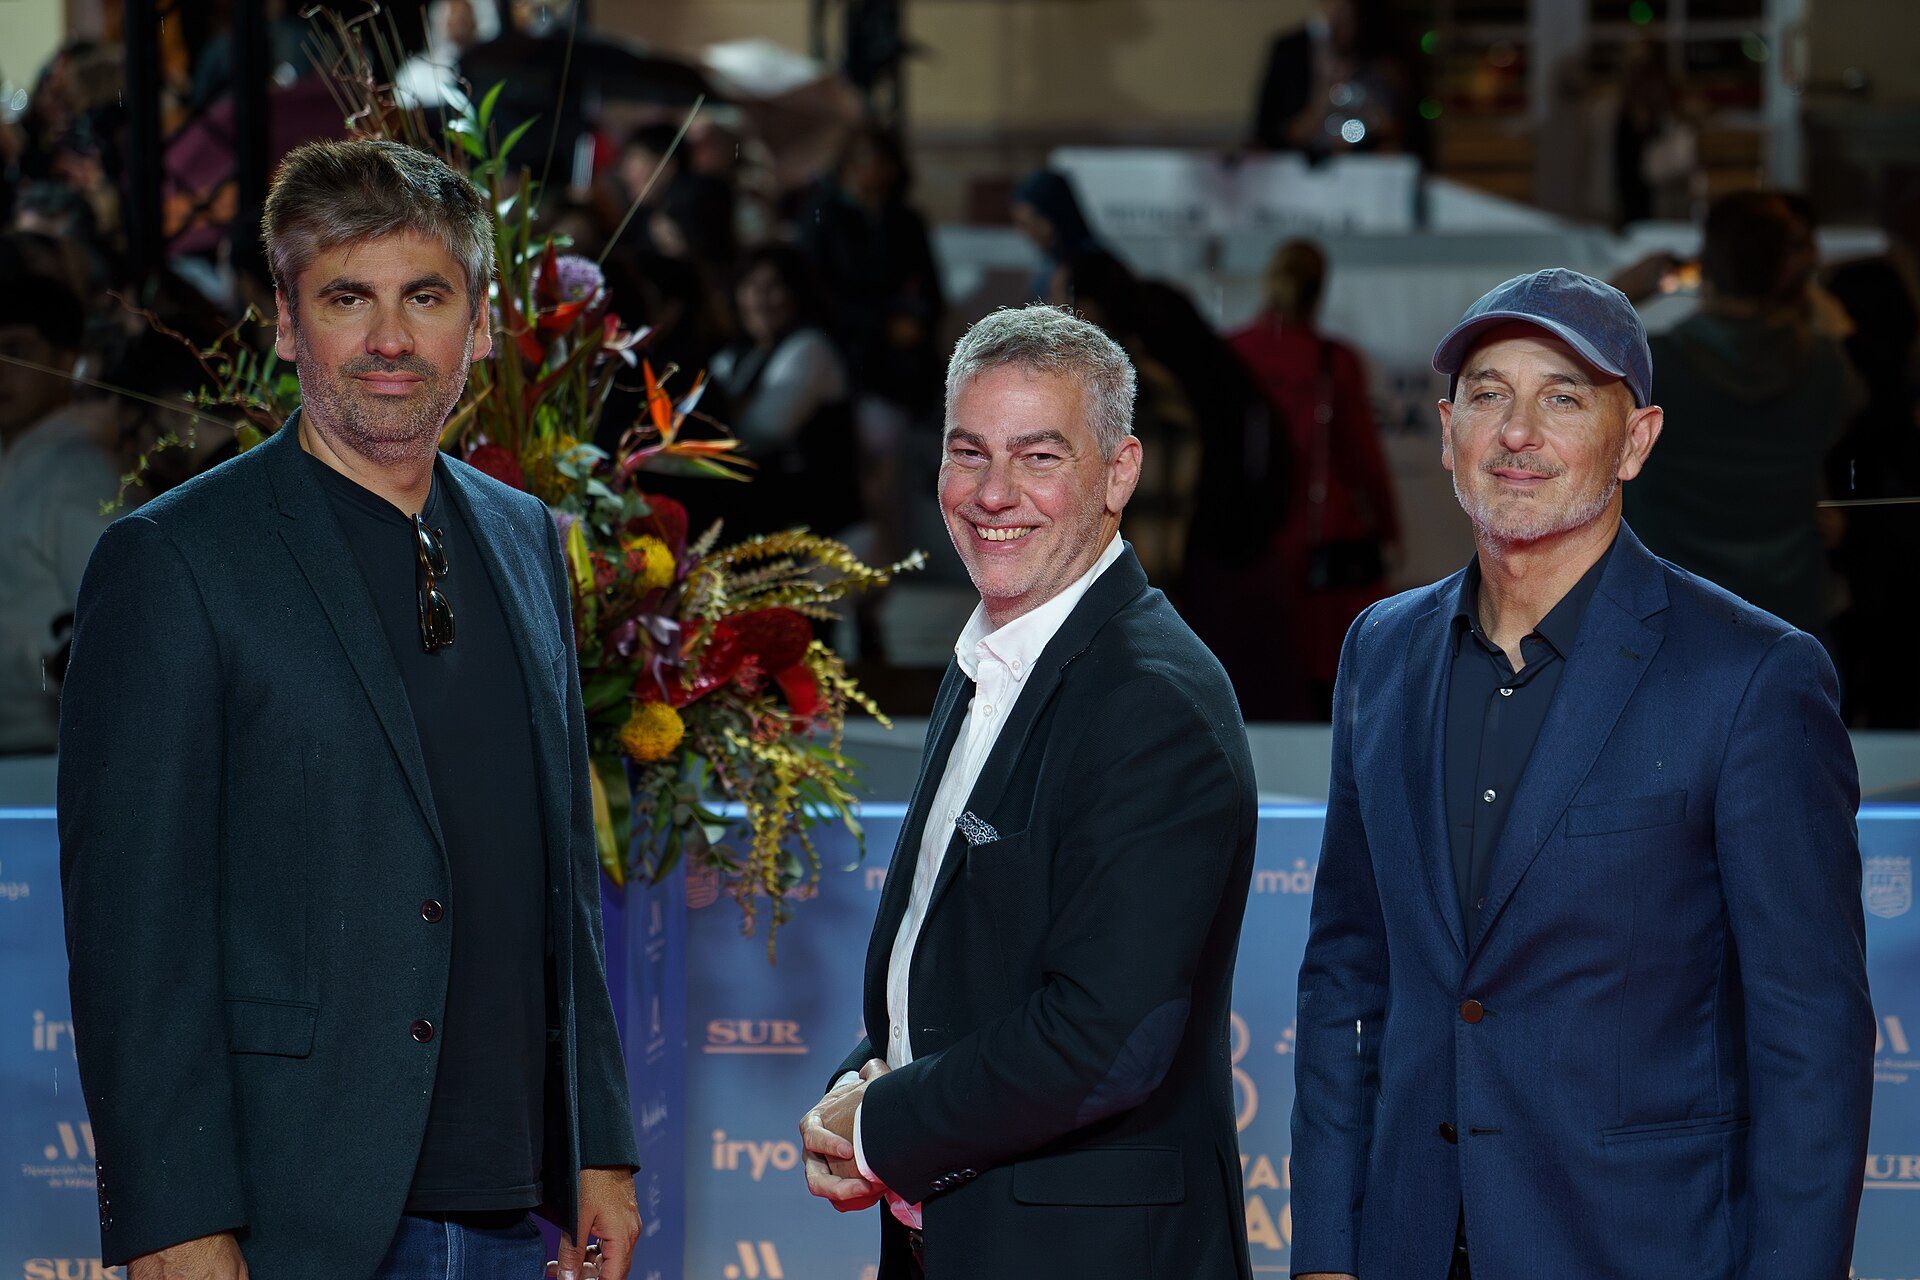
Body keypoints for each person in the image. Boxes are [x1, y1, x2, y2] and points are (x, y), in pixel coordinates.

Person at [58, 139, 641, 1280]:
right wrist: (175, 1215)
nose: (388, 339)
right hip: (296, 1210)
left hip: (514, 1204)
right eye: (346, 297)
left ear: (478, 324)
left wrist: (599, 1140)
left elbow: (559, 875)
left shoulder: (526, 539)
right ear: (287, 321)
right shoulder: (177, 559)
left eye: (425, 296)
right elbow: (134, 928)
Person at [1289, 268, 1873, 1279]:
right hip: (1409, 1244)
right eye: (1487, 393)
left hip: (1642, 1247)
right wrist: (1328, 1254)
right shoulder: (1380, 650)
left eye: (1563, 395)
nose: (1517, 431)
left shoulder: (1751, 677)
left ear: (1636, 439)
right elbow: (1348, 966)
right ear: (1445, 428)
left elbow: (1810, 1039)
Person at [797, 304, 1259, 1279]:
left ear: (1119, 473)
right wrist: (863, 1079)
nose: (993, 492)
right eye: (970, 451)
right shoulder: (992, 656)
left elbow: (1104, 1037)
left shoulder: (1150, 698)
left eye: (1040, 457)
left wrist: (882, 1121)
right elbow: (969, 963)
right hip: (957, 1237)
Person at [1623, 190, 1858, 641]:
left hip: (1674, 608)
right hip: (1791, 605)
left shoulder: (1655, 366)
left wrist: (1620, 291)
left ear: (1705, 263)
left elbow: (1557, 361)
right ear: (1784, 271)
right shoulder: (1825, 364)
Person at [1228, 238, 1399, 718]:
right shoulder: (1334, 361)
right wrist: (1390, 528)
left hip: (1252, 541)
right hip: (1326, 541)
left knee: (1255, 680)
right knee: (1330, 685)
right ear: (1319, 289)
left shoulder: (1232, 352)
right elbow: (1363, 458)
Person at [0, 235, 119, 754]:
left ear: (66, 357)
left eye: (17, 352)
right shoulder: (21, 460)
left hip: (50, 756)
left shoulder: (80, 471)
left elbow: (118, 625)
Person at [708, 242, 861, 538]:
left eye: (774, 287)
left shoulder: (810, 348)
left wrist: (727, 408)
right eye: (751, 285)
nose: (761, 299)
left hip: (819, 525)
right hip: (766, 513)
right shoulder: (737, 354)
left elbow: (762, 431)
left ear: (797, 294)